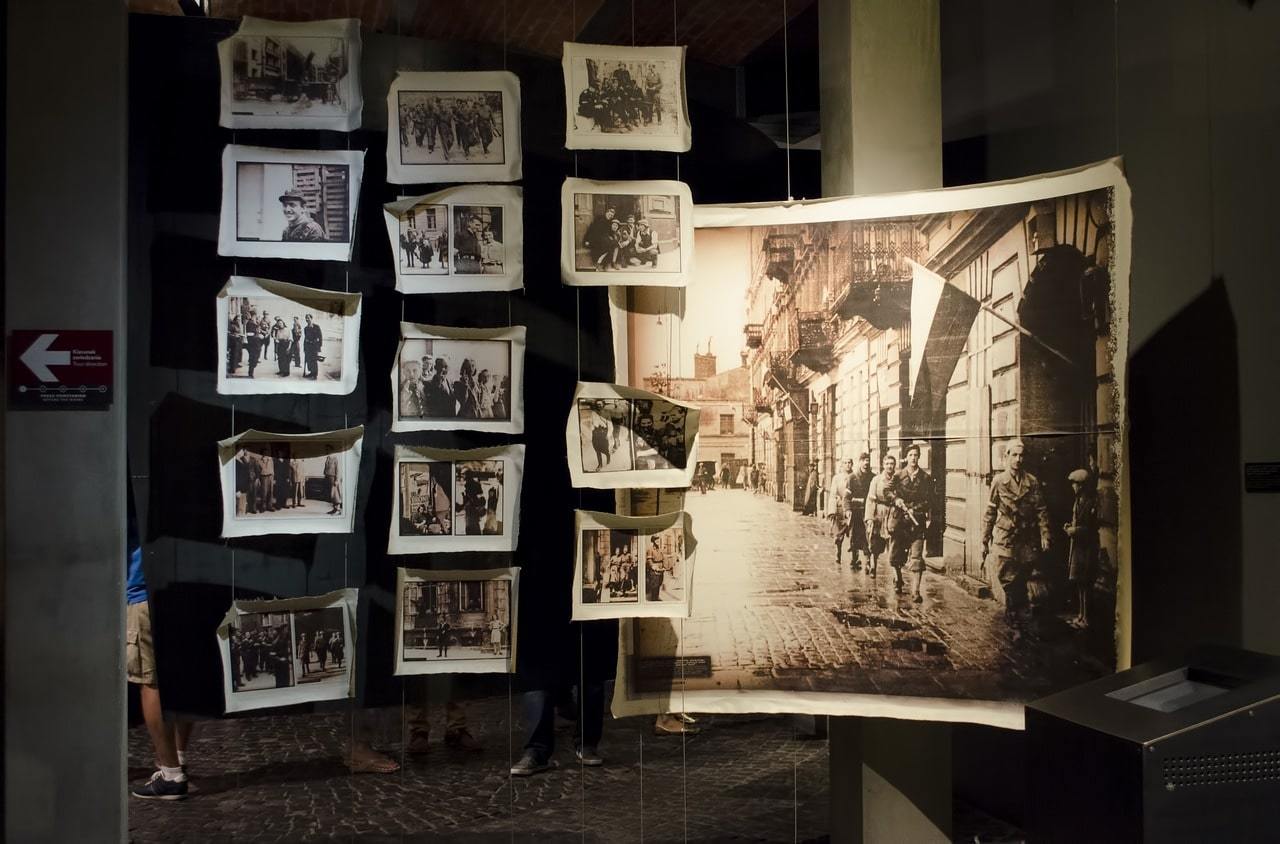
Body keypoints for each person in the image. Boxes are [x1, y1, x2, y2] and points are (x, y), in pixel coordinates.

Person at [127, 497, 196, 801]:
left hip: (142, 592)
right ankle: (177, 757)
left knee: (150, 680)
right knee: (182, 676)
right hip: (182, 584)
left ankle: (170, 773)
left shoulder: (125, 481)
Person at [982, 440, 1051, 633]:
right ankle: (1014, 616)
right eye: (1014, 455)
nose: (1018, 460)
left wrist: (1045, 534)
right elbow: (990, 513)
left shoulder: (1032, 481)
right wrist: (984, 539)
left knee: (1022, 575)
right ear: (1007, 457)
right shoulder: (998, 481)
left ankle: (1014, 612)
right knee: (1007, 577)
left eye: (1021, 456)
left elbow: (1041, 510)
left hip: (1026, 537)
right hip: (1006, 537)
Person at [893, 441, 935, 603]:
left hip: (917, 522)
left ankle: (916, 591)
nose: (913, 458)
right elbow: (887, 491)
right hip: (900, 522)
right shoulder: (898, 476)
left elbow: (929, 500)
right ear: (906, 457)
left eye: (916, 455)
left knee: (917, 556)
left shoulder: (925, 478)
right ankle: (898, 578)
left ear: (919, 457)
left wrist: (915, 508)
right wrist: (896, 500)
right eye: (910, 455)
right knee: (896, 555)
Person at [1064, 467, 1099, 629]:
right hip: (1078, 548)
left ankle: (1087, 618)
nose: (1073, 487)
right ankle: (1080, 615)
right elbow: (1078, 522)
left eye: (1075, 484)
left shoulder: (1090, 503)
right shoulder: (1078, 501)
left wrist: (1074, 530)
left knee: (1085, 583)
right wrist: (1070, 526)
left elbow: (1090, 529)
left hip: (1086, 549)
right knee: (1079, 583)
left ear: (1082, 485)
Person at [864, 453, 898, 579]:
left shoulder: (897, 479)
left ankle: (896, 573)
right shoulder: (876, 480)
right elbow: (870, 499)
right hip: (879, 513)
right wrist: (869, 518)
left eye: (892, 464)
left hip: (893, 513)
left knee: (894, 543)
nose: (890, 466)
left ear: (895, 465)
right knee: (875, 542)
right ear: (883, 465)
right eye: (887, 464)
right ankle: (873, 564)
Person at [845, 452, 875, 570]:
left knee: (869, 536)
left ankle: (868, 560)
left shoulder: (873, 477)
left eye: (867, 460)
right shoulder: (852, 478)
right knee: (855, 535)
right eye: (863, 460)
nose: (866, 463)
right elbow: (846, 497)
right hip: (856, 511)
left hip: (868, 511)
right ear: (859, 462)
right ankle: (855, 557)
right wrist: (847, 509)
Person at [827, 459, 853, 562]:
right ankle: (838, 552)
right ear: (842, 465)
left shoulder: (855, 476)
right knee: (839, 535)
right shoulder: (837, 478)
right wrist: (832, 511)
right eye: (845, 463)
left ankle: (854, 558)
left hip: (852, 508)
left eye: (849, 462)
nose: (848, 465)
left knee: (853, 534)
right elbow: (833, 494)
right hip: (840, 509)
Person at [583, 206, 618, 271]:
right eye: (609, 214)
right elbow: (591, 229)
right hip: (595, 239)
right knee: (609, 244)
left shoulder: (609, 222)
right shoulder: (599, 219)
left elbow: (609, 232)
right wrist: (587, 240)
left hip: (604, 239)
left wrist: (613, 236)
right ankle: (598, 263)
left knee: (615, 243)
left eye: (612, 216)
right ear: (606, 213)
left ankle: (613, 262)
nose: (610, 216)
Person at [302, 314, 323, 380]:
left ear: (311, 318)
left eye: (308, 318)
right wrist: (304, 348)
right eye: (306, 318)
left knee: (314, 360)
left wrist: (319, 346)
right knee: (308, 360)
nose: (307, 319)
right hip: (308, 346)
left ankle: (315, 375)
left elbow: (320, 337)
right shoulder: (305, 328)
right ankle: (311, 372)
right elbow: (305, 339)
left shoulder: (316, 327)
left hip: (314, 347)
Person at [323, 451, 342, 515]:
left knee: (335, 494)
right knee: (331, 494)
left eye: (327, 449)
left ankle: (338, 510)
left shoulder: (335, 459)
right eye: (326, 449)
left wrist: (336, 480)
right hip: (328, 477)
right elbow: (326, 468)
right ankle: (334, 508)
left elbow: (337, 470)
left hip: (333, 478)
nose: (326, 451)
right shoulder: (327, 458)